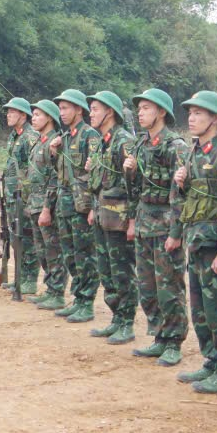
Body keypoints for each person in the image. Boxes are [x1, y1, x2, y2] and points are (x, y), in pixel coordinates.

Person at [172, 92, 217, 393]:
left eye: (199, 113)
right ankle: (210, 361)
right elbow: (188, 199)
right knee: (200, 309)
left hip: (216, 246)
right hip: (196, 242)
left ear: (214, 118)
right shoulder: (193, 152)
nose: (191, 118)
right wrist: (181, 183)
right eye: (190, 113)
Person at [124, 88, 189, 365]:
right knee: (147, 285)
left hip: (165, 225)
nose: (140, 113)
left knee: (169, 287)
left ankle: (174, 341)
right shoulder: (140, 144)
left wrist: (176, 232)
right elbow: (135, 190)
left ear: (161, 112)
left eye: (146, 108)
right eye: (139, 109)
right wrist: (129, 171)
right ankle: (159, 335)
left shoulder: (176, 147)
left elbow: (181, 194)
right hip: (144, 222)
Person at [85, 91, 138, 344]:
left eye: (95, 109)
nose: (91, 114)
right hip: (103, 215)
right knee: (106, 270)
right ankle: (117, 317)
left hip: (119, 219)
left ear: (110, 112)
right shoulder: (102, 141)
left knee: (122, 271)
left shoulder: (123, 141)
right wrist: (93, 208)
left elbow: (133, 185)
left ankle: (127, 322)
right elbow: (100, 182)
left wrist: (132, 220)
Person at [50, 89, 101, 323]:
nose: (61, 113)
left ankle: (87, 303)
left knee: (85, 255)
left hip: (82, 204)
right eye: (60, 109)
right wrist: (54, 152)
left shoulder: (90, 136)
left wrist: (93, 207)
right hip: (65, 204)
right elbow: (60, 171)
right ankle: (78, 299)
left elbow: (96, 174)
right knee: (70, 254)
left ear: (79, 109)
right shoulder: (65, 137)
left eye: (65, 108)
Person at [26, 100, 68, 311]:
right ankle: (51, 289)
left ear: (49, 117)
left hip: (47, 204)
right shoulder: (39, 141)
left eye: (38, 115)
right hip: (34, 202)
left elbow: (54, 177)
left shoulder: (54, 143)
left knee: (53, 250)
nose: (33, 118)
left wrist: (46, 208)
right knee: (42, 251)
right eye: (33, 115)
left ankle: (57, 292)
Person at [1, 97, 39, 296]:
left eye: (12, 111)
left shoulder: (30, 137)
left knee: (28, 236)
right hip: (12, 194)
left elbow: (35, 167)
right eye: (8, 111)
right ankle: (21, 277)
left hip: (24, 195)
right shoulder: (15, 135)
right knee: (16, 235)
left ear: (23, 115)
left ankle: (30, 280)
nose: (8, 115)